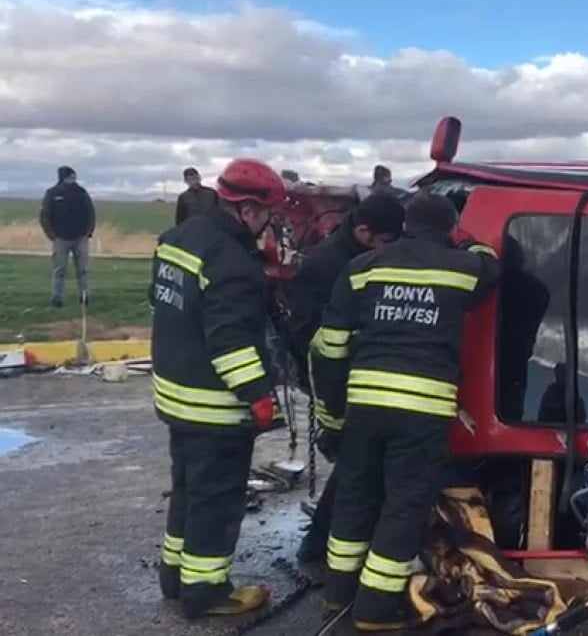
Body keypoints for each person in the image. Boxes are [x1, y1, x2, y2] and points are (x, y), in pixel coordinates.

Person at [309, 192, 500, 629]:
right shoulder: (462, 266)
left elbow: (330, 347)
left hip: (365, 404)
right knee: (403, 503)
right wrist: (468, 241)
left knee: (355, 495)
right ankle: (375, 609)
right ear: (448, 229)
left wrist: (332, 413)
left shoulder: (361, 268)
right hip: (421, 408)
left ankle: (337, 593)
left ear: (405, 226)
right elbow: (491, 265)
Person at [150, 157, 287, 619]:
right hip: (213, 407)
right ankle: (206, 591)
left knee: (188, 490)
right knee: (217, 500)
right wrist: (258, 395)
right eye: (268, 215)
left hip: (175, 394)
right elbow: (230, 342)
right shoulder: (231, 264)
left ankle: (175, 576)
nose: (271, 224)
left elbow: (165, 301)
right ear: (248, 210)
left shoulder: (178, 238)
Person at [281, 192, 408, 563]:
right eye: (388, 241)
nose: (393, 249)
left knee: (359, 463)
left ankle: (328, 541)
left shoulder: (354, 254)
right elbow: (307, 335)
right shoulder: (328, 265)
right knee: (356, 465)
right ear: (365, 231)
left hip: (357, 374)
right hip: (335, 378)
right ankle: (321, 544)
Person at [39, 165, 95, 308]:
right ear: (62, 178)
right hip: (61, 239)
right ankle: (57, 298)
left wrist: (88, 232)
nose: (72, 180)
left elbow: (91, 213)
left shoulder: (81, 193)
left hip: (80, 238)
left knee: (82, 269)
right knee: (60, 270)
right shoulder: (52, 193)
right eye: (70, 177)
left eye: (73, 177)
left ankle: (84, 296)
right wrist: (51, 235)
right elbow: (45, 216)